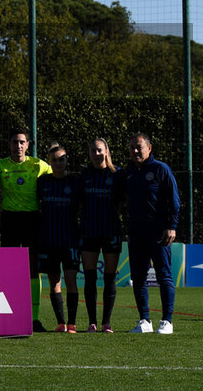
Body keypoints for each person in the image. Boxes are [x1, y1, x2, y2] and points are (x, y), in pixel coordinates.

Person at [0, 127, 50, 331]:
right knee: (8, 269)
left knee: (33, 269)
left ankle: (35, 318)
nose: (18, 146)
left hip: (32, 220)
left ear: (28, 145)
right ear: (9, 144)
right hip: (10, 220)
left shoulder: (39, 165)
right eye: (15, 142)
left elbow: (57, 175)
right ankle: (9, 315)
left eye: (22, 142)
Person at [126, 133, 180, 335]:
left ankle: (167, 321)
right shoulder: (128, 171)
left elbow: (174, 200)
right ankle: (145, 321)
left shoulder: (161, 169)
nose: (135, 151)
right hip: (136, 233)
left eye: (139, 147)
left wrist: (171, 226)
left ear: (149, 148)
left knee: (164, 275)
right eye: (132, 147)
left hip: (159, 233)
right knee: (138, 278)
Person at [79, 137, 124, 333]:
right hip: (89, 231)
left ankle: (106, 323)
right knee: (89, 278)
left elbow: (124, 202)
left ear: (106, 151)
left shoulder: (118, 174)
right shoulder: (84, 175)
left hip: (111, 231)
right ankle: (92, 322)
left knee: (109, 278)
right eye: (93, 151)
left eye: (99, 150)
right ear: (89, 154)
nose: (96, 154)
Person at [37, 144, 81, 333]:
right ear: (49, 162)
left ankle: (72, 323)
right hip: (49, 239)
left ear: (66, 160)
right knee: (54, 280)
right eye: (54, 160)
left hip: (70, 238)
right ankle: (61, 323)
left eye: (61, 159)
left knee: (70, 279)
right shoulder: (42, 182)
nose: (58, 163)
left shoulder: (75, 182)